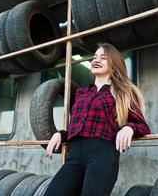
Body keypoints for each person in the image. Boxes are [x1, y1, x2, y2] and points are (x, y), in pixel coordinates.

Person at [43, 43, 150, 196]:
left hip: (103, 156)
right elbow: (81, 126)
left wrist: (129, 127)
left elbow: (142, 125)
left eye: (103, 57)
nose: (96, 60)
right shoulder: (82, 92)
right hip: (75, 155)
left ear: (114, 64)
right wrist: (61, 134)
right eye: (94, 57)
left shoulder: (124, 93)